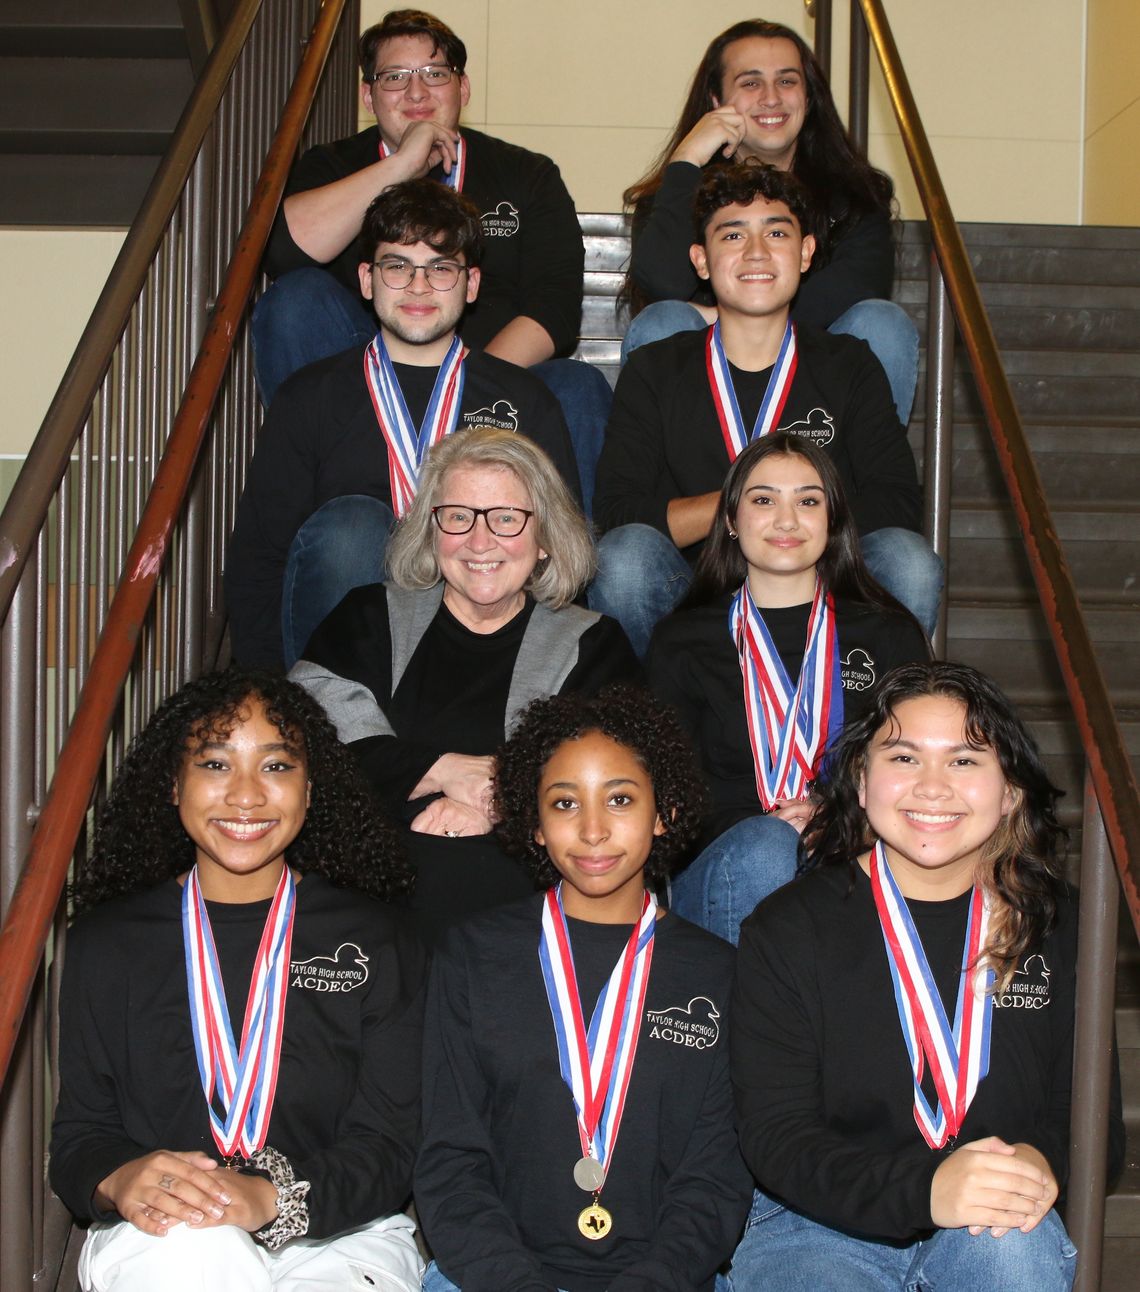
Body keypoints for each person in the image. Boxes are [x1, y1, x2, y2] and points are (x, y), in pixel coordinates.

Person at [728, 661, 1125, 1291]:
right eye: (904, 758)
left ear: (1011, 791)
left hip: (992, 1220)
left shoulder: (1059, 923)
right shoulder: (787, 928)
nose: (932, 787)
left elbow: (1090, 1123)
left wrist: (1040, 1161)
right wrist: (928, 1188)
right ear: (861, 783)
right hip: (818, 1223)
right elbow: (776, 1137)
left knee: (1016, 1260)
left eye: (965, 761)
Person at [49, 668, 428, 1292]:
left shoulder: (380, 939)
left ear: (311, 789)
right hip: (167, 1229)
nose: (247, 795)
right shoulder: (109, 943)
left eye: (277, 767)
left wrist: (266, 1198)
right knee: (199, 1257)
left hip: (340, 1234)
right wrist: (120, 1179)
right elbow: (82, 1135)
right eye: (217, 765)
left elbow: (390, 1145)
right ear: (175, 784)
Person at [415, 686, 753, 1290]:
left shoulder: (719, 973)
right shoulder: (472, 955)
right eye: (565, 804)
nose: (593, 829)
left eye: (619, 799)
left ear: (663, 811)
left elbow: (715, 1177)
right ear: (536, 825)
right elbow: (449, 1159)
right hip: (490, 1278)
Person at [290, 427, 639, 943]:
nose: (480, 541)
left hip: (516, 904)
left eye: (506, 518)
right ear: (432, 532)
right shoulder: (369, 617)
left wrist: (492, 804)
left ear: (544, 539)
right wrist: (443, 771)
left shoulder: (592, 645)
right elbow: (304, 742)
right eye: (458, 517)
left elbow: (605, 786)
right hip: (365, 895)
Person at [254, 8, 611, 499]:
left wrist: (463, 388)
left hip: (490, 388)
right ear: (368, 96)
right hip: (367, 391)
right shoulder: (331, 166)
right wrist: (401, 164)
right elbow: (282, 253)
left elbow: (554, 307)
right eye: (394, 77)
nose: (416, 93)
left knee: (577, 385)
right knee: (293, 300)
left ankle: (570, 568)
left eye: (434, 74)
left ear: (462, 89)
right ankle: (323, 510)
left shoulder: (527, 175)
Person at [227, 178, 580, 670]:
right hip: (345, 654)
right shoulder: (309, 397)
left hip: (480, 639)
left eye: (440, 268)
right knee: (351, 528)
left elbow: (560, 555)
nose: (418, 286)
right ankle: (323, 724)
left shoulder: (523, 400)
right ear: (367, 280)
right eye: (398, 267)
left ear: (471, 284)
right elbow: (260, 561)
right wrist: (265, 693)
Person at [591, 162, 939, 655]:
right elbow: (619, 508)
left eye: (776, 232)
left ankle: (880, 721)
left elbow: (898, 501)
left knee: (908, 560)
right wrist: (745, 501)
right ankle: (652, 726)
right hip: (696, 582)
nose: (756, 251)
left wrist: (795, 517)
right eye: (732, 235)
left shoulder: (849, 363)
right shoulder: (656, 366)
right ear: (701, 261)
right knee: (623, 561)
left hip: (819, 581)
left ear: (805, 252)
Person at [648, 432, 929, 945]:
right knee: (765, 850)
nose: (786, 520)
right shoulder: (681, 639)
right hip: (728, 865)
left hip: (858, 847)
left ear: (834, 520)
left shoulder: (889, 633)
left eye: (807, 501)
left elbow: (916, 766)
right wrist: (775, 826)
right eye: (763, 500)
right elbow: (669, 793)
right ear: (731, 520)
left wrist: (837, 815)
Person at [621, 18, 918, 426]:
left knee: (884, 324)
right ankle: (678, 489)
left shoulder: (855, 194)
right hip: (707, 408)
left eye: (787, 81)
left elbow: (854, 292)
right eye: (750, 82)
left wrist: (729, 311)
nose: (771, 98)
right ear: (715, 101)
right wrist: (686, 161)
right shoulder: (678, 190)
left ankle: (870, 487)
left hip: (815, 394)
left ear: (809, 98)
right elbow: (662, 284)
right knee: (664, 322)